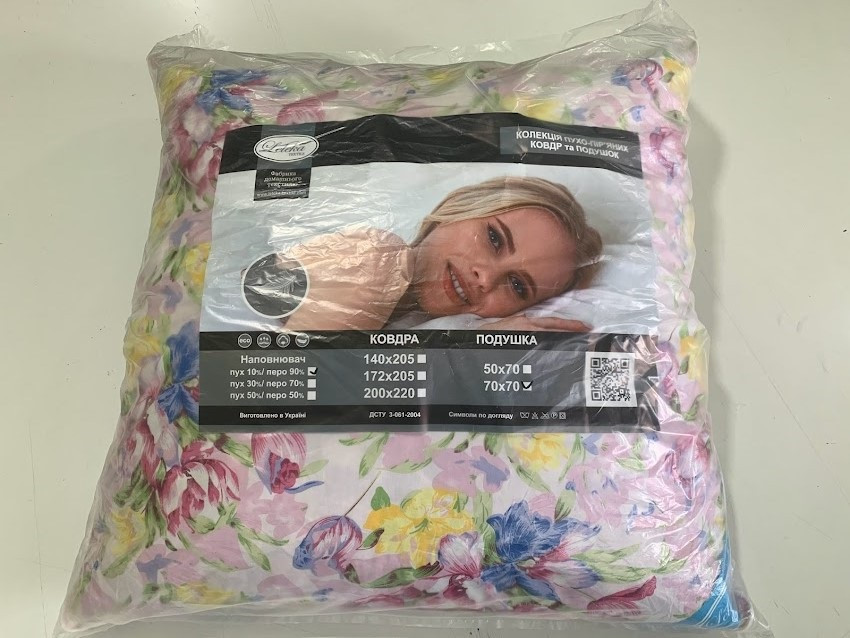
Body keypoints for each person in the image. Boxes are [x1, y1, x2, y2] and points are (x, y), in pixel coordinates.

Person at [258, 176, 602, 331]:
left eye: (517, 286)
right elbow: (299, 386)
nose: (486, 277)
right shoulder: (378, 257)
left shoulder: (422, 324)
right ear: (457, 206)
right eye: (494, 238)